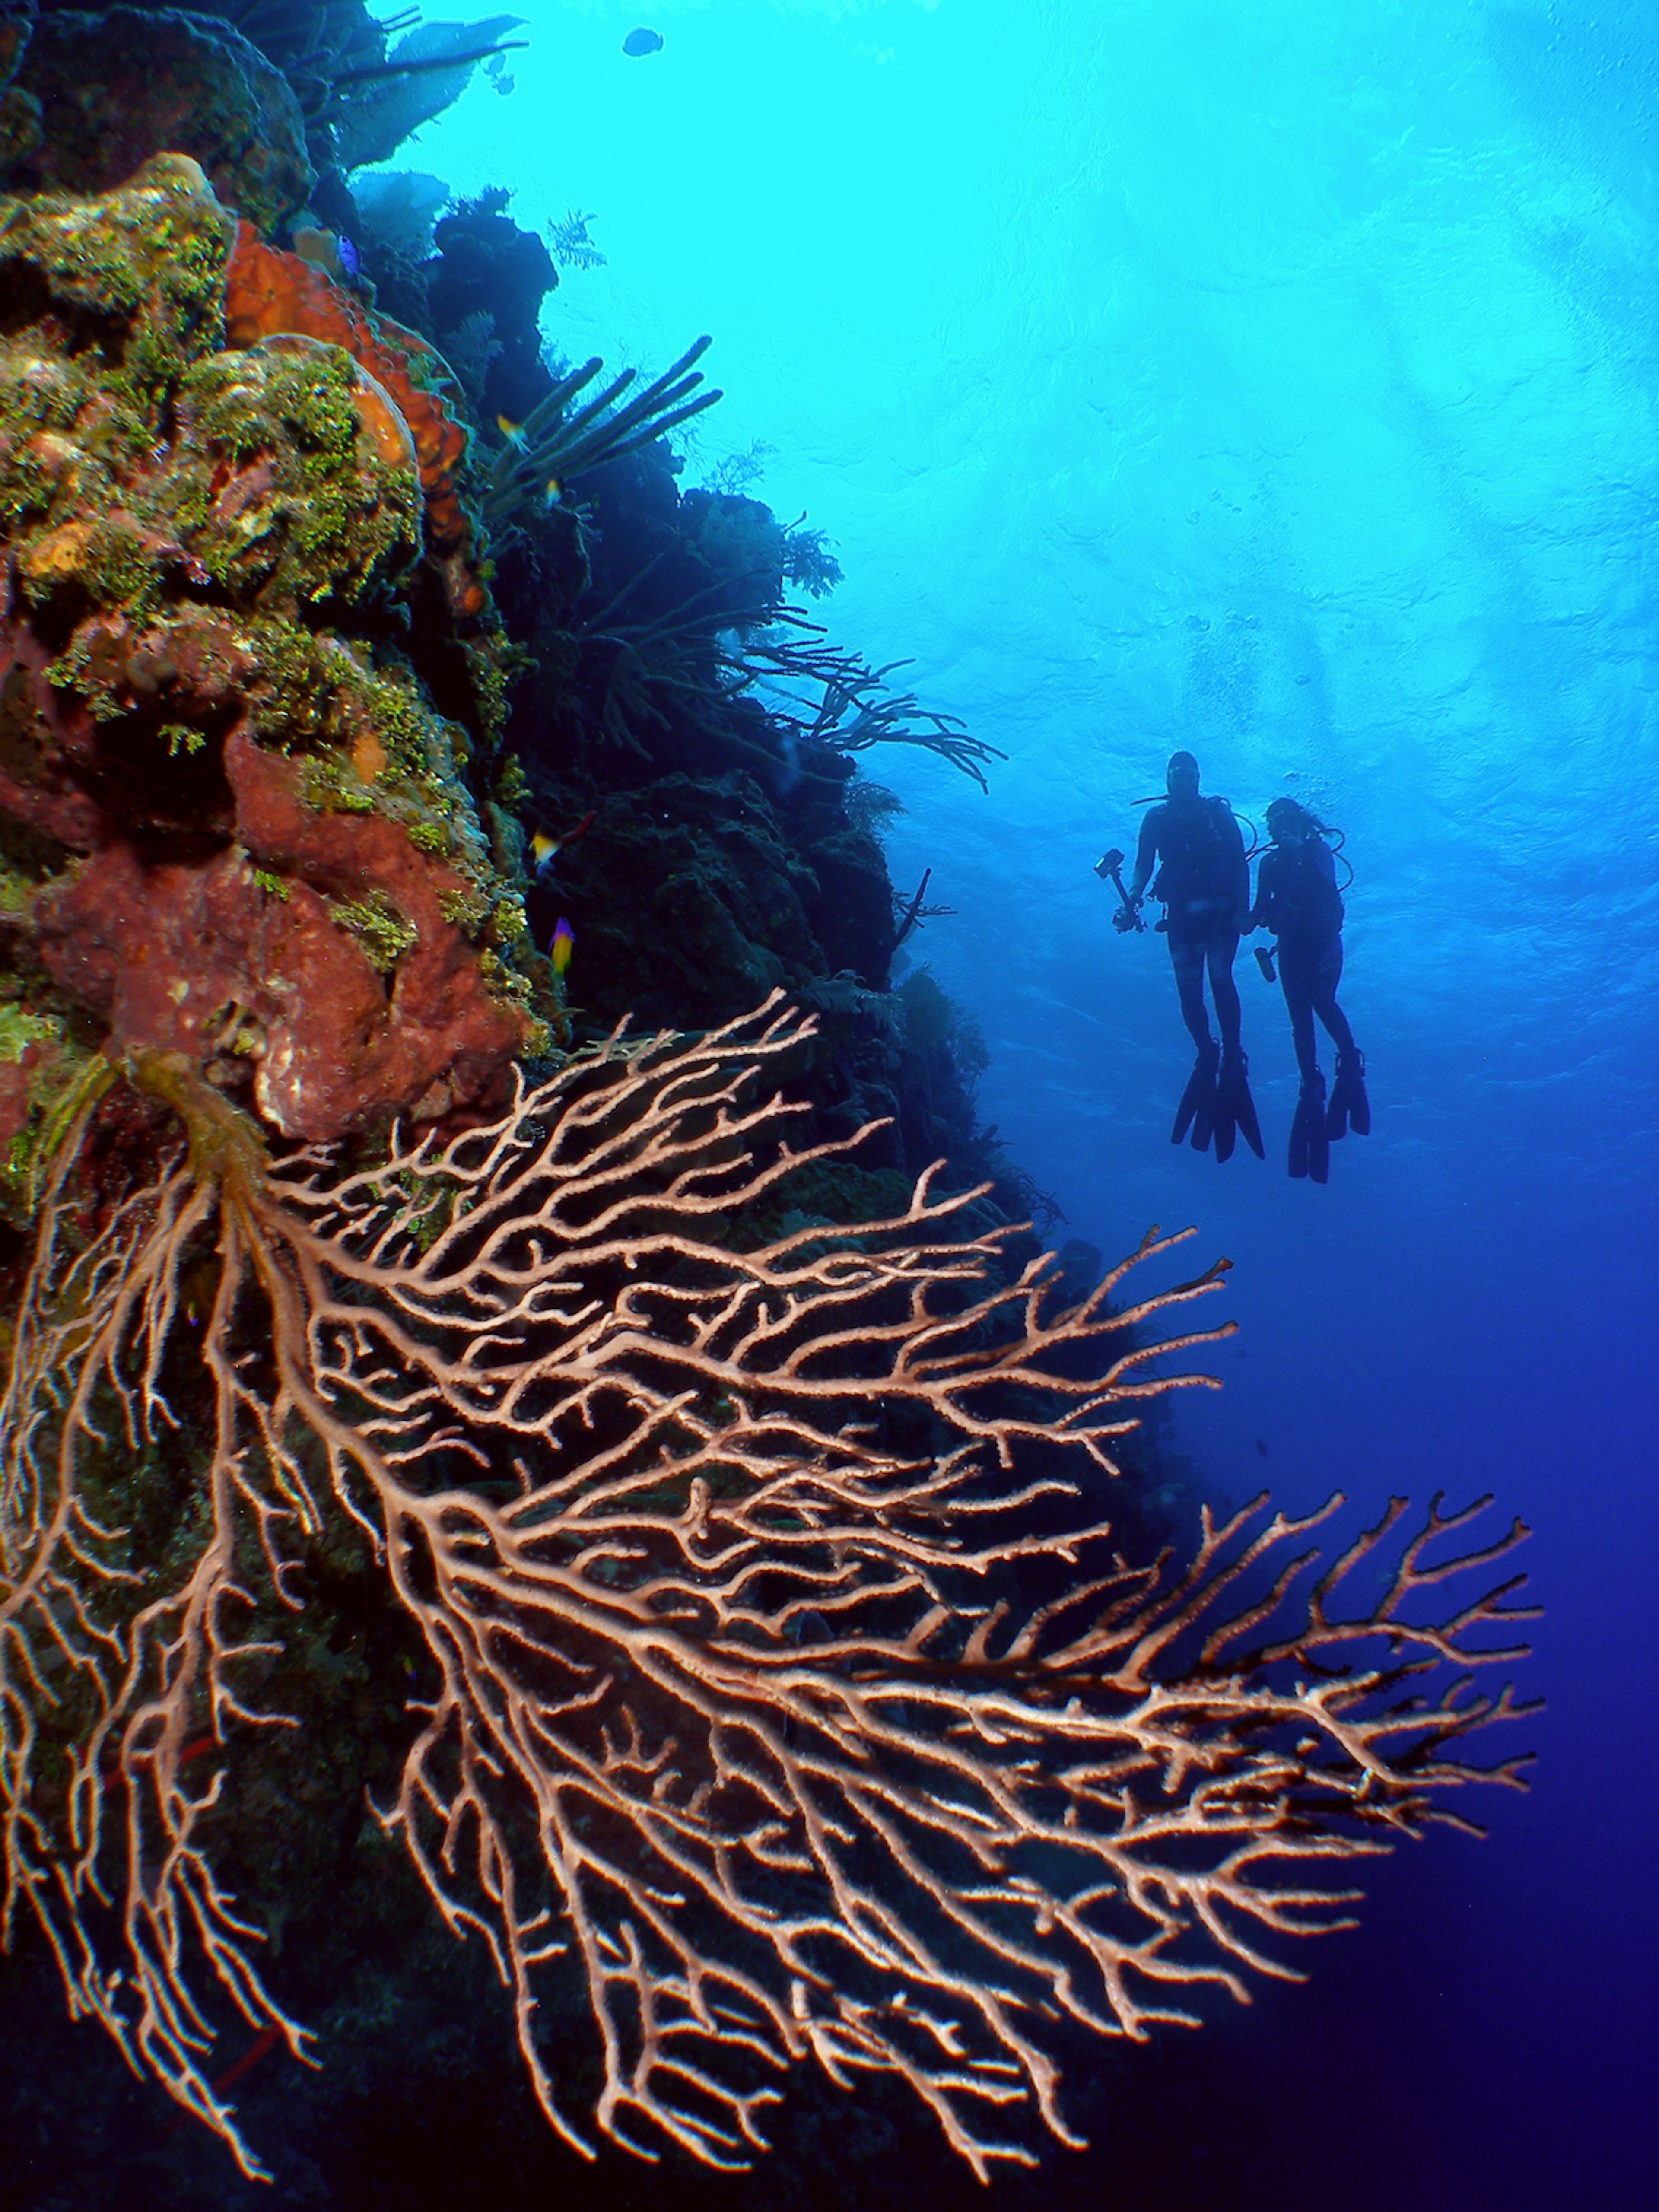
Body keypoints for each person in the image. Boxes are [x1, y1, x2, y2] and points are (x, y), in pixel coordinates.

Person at [1109, 751, 1262, 1161]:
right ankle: (1208, 1052)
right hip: (1181, 915)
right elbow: (1143, 865)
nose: (1182, 781)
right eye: (1176, 774)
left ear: (1197, 777)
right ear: (1169, 779)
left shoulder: (1220, 816)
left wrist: (1243, 912)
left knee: (1220, 976)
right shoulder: (1156, 820)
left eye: (1188, 774)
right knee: (1189, 992)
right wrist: (1135, 900)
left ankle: (1231, 1051)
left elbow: (1240, 867)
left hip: (1222, 915)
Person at [1246, 795, 1370, 1182]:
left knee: (1323, 1002)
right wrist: (1238, 920)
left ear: (1299, 822)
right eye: (1272, 822)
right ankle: (1311, 1084)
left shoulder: (1318, 850)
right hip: (1292, 950)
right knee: (1300, 1020)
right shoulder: (1269, 863)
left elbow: (1327, 889)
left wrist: (1301, 852)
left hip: (1321, 943)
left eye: (1283, 820)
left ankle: (1349, 1062)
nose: (1277, 828)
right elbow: (1259, 910)